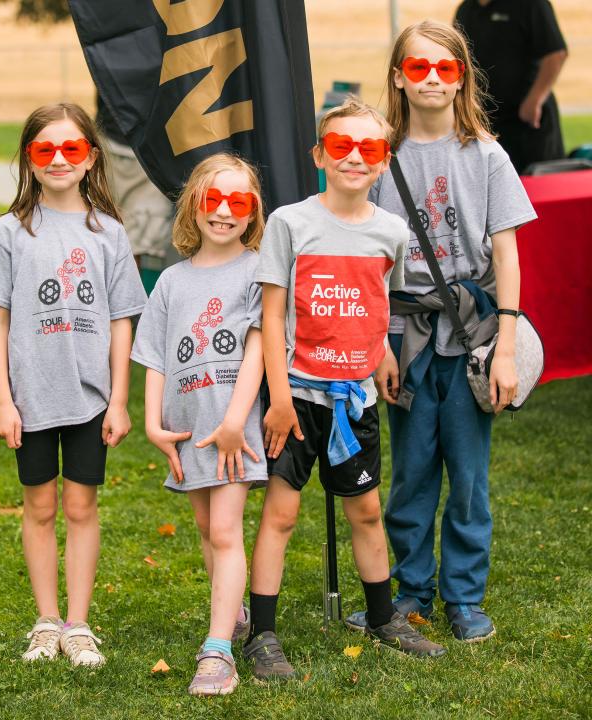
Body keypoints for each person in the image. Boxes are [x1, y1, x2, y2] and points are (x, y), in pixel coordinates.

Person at [345, 21, 537, 643]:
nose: (431, 79)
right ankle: (410, 591)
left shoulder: (486, 155)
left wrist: (505, 348)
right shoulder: (379, 156)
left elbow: (506, 257)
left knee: (469, 476)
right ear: (399, 76)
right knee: (413, 471)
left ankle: (463, 596)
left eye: (444, 69)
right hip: (404, 334)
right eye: (418, 67)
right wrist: (377, 346)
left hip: (471, 330)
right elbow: (364, 259)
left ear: (461, 78)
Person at [243, 97, 446, 681]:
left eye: (370, 148)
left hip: (354, 400)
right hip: (297, 399)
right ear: (320, 155)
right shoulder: (290, 223)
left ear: (384, 161)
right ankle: (263, 635)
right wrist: (278, 400)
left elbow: (376, 303)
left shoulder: (392, 233)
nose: (355, 157)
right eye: (341, 146)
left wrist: (380, 351)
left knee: (366, 510)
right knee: (280, 516)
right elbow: (272, 318)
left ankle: (384, 619)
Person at [0, 102, 147, 666]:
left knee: (80, 507)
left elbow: (123, 319)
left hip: (89, 399)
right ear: (28, 158)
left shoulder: (109, 233)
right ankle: (46, 622)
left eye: (70, 149)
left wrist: (119, 400)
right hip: (30, 398)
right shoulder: (10, 232)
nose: (57, 159)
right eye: (44, 149)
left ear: (90, 158)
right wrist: (3, 399)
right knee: (41, 507)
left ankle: (78, 625)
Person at [131, 153, 268, 696]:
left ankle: (219, 654)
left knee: (224, 531)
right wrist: (151, 423)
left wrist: (236, 421)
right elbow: (157, 358)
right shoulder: (170, 281)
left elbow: (259, 349)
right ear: (195, 203)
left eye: (240, 202)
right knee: (205, 529)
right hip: (187, 431)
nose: (225, 212)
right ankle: (231, 612)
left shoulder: (258, 270)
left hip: (232, 430)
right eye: (215, 199)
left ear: (253, 211)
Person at [454, 0, 568, 173]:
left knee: (539, 191)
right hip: (486, 126)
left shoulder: (532, 5)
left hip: (529, 124)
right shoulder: (466, 10)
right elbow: (456, 61)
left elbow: (556, 54)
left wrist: (535, 100)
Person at [96, 93, 174, 292]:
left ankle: (142, 315)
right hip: (113, 140)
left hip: (154, 144)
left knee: (148, 237)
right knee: (109, 232)